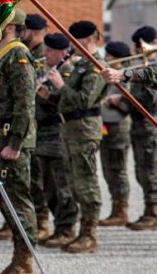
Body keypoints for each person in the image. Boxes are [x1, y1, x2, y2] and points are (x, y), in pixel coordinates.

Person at [0, 9, 38, 274]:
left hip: (10, 141)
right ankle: (18, 258)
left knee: (18, 201)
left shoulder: (18, 55)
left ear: (9, 26)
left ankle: (24, 263)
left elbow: (25, 104)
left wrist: (15, 142)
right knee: (8, 202)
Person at [47, 21, 109, 253]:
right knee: (74, 183)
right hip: (71, 131)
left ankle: (89, 235)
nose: (71, 45)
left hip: (84, 132)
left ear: (88, 40)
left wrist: (60, 85)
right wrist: (51, 95)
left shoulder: (96, 66)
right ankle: (77, 230)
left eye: (74, 40)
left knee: (87, 183)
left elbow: (84, 100)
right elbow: (68, 100)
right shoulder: (82, 65)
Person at [105, 26, 157, 231]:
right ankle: (149, 211)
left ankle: (153, 212)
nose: (138, 50)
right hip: (138, 127)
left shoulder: (148, 67)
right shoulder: (145, 66)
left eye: (141, 46)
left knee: (149, 171)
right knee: (142, 171)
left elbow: (150, 97)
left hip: (148, 128)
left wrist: (123, 79)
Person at [35, 33, 79, 248]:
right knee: (48, 187)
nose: (46, 54)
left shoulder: (68, 73)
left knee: (63, 186)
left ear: (63, 53)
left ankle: (67, 228)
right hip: (42, 137)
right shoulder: (49, 72)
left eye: (50, 51)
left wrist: (53, 91)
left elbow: (71, 103)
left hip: (58, 136)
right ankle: (57, 224)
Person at [98, 42, 133, 227]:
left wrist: (116, 101)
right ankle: (115, 207)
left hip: (118, 125)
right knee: (108, 169)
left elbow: (130, 102)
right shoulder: (108, 73)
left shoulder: (126, 75)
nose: (107, 59)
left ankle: (122, 210)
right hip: (107, 125)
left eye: (110, 56)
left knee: (118, 169)